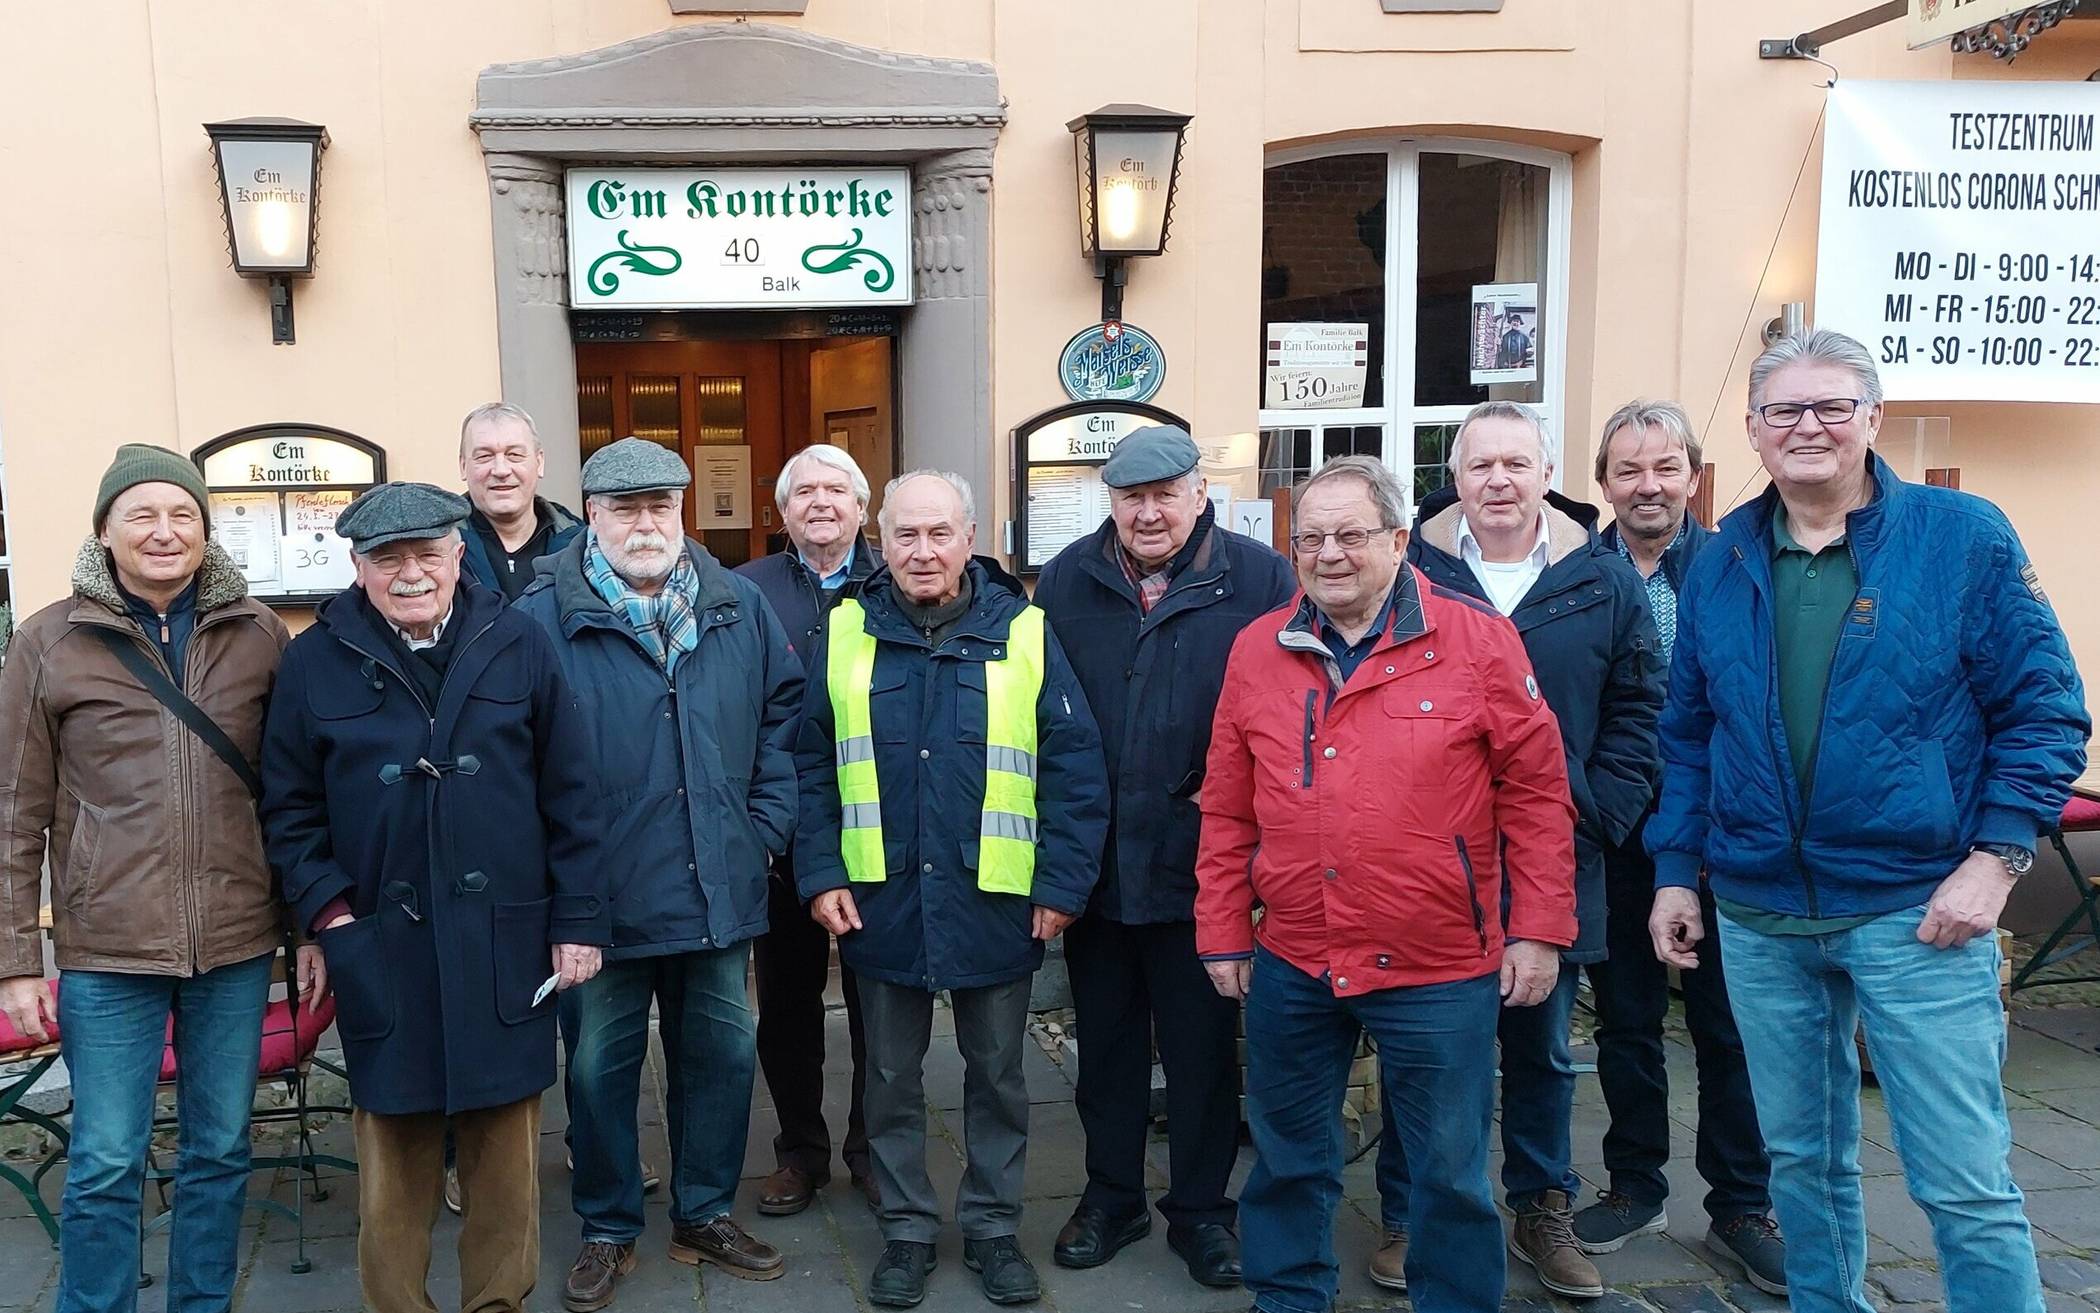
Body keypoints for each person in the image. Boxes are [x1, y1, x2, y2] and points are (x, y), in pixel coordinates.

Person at [1647, 329, 2090, 1313]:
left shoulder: (1962, 535)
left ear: (1872, 417)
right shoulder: (1719, 559)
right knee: (1803, 1172)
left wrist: (1997, 857)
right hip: (1762, 916)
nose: (1809, 425)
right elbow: (1688, 731)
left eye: (1832, 405)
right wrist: (1678, 867)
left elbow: (2048, 710)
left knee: (1962, 1181)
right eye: (1785, 410)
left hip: (1918, 908)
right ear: (1755, 430)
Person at [1197, 455, 1577, 1313]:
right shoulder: (1257, 650)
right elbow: (1225, 806)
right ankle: (1289, 1297)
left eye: (1352, 534)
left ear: (1401, 541)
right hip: (1294, 952)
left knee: (1447, 1174)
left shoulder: (1478, 640)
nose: (1330, 554)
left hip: (1438, 962)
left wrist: (1538, 928)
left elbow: (1539, 793)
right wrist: (1222, 926)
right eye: (1312, 538)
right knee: (1288, 1159)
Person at [260, 482, 609, 1313]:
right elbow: (288, 804)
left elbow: (574, 793)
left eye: (427, 554)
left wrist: (579, 922)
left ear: (459, 555)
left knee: (504, 1150)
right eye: (389, 559)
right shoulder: (313, 659)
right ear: (357, 566)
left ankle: (498, 1302)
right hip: (383, 934)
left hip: (505, 935)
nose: (410, 573)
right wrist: (330, 913)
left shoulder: (518, 642)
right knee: (393, 1153)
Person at [794, 470, 1108, 1308]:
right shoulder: (844, 630)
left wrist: (1062, 882)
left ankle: (995, 1226)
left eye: (940, 533)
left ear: (971, 537)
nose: (923, 551)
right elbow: (808, 764)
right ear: (881, 540)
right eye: (906, 535)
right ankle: (905, 1228)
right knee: (889, 1078)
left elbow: (1076, 770)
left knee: (998, 1075)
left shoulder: (1029, 632)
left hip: (996, 900)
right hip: (882, 899)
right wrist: (820, 872)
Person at [0, 446, 296, 1313]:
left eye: (183, 515)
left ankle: (200, 1303)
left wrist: (307, 932)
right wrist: (18, 959)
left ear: (206, 529)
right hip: (108, 950)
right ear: (105, 530)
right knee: (104, 1159)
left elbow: (294, 797)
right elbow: (14, 813)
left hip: (237, 942)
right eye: (142, 514)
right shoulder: (49, 640)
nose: (164, 531)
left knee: (221, 1148)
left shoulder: (259, 635)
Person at [515, 438, 803, 1308]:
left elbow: (783, 722)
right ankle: (607, 1225)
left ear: (682, 511)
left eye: (662, 507)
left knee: (719, 1056)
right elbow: (512, 761)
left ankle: (705, 1211)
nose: (647, 523)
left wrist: (762, 830)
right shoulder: (537, 620)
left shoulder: (737, 606)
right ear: (591, 516)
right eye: (626, 507)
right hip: (597, 900)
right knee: (599, 1069)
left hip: (718, 881)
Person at [1392, 401, 1662, 1301]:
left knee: (1541, 1046)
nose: (1499, 481)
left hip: (1559, 854)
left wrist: (1600, 808)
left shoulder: (1604, 578)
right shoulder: (1410, 573)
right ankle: (1413, 1212)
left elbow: (1640, 707)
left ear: (1547, 473)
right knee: (1426, 1044)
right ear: (1456, 478)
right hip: (1433, 860)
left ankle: (1542, 1204)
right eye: (1480, 466)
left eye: (1516, 463)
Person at [1033, 426, 1295, 1289]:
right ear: (1109, 499)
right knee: (1103, 1047)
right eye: (1129, 497)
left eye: (1163, 494)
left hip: (1204, 864)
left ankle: (1202, 1212)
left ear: (1198, 491)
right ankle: (1110, 1197)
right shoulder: (1071, 574)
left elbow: (1289, 713)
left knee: (1202, 1051)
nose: (1147, 513)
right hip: (1101, 865)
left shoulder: (1259, 577)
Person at [1573, 399, 1784, 1293]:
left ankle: (1741, 1202)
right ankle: (1634, 1183)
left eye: (1665, 468)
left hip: (1726, 832)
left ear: (1693, 473)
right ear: (1604, 483)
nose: (1648, 485)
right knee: (1625, 1018)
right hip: (1619, 833)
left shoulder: (1744, 562)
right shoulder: (1575, 577)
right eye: (1628, 469)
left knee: (1729, 1026)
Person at [734, 443, 882, 1217]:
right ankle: (799, 1151)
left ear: (863, 507)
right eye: (804, 492)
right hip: (782, 829)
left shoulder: (897, 581)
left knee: (878, 1001)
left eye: (836, 489)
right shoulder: (744, 589)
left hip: (879, 826)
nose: (821, 502)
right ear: (783, 512)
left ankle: (870, 1147)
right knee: (786, 1001)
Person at [458, 402, 583, 602]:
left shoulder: (581, 545)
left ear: (539, 462)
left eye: (514, 455)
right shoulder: (439, 550)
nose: (500, 470)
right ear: (463, 466)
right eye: (484, 456)